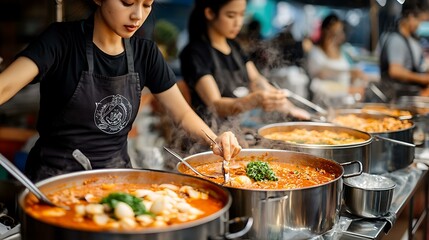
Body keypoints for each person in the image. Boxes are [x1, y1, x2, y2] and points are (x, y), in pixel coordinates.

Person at [0, 0, 241, 182]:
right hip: (54, 180)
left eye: (147, 5)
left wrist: (215, 140)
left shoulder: (145, 53)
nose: (137, 15)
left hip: (116, 179)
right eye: (127, 2)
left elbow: (182, 114)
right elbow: (6, 87)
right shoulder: (60, 41)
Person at [179, 0, 310, 129]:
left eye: (242, 14)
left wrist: (289, 108)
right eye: (231, 15)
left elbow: (257, 80)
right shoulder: (195, 53)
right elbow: (215, 104)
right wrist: (251, 101)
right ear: (210, 13)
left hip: (237, 128)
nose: (238, 23)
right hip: (209, 134)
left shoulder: (235, 47)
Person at [307, 14, 368, 105]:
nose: (341, 36)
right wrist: (349, 88)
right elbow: (319, 82)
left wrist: (355, 77)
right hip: (325, 104)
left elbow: (347, 76)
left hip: (344, 102)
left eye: (341, 31)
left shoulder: (343, 52)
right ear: (326, 31)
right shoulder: (316, 54)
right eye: (336, 32)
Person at [377, 2, 429, 101]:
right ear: (410, 17)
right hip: (396, 98)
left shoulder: (412, 38)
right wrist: (423, 78)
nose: (420, 26)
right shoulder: (396, 40)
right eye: (420, 21)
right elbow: (395, 71)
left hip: (407, 96)